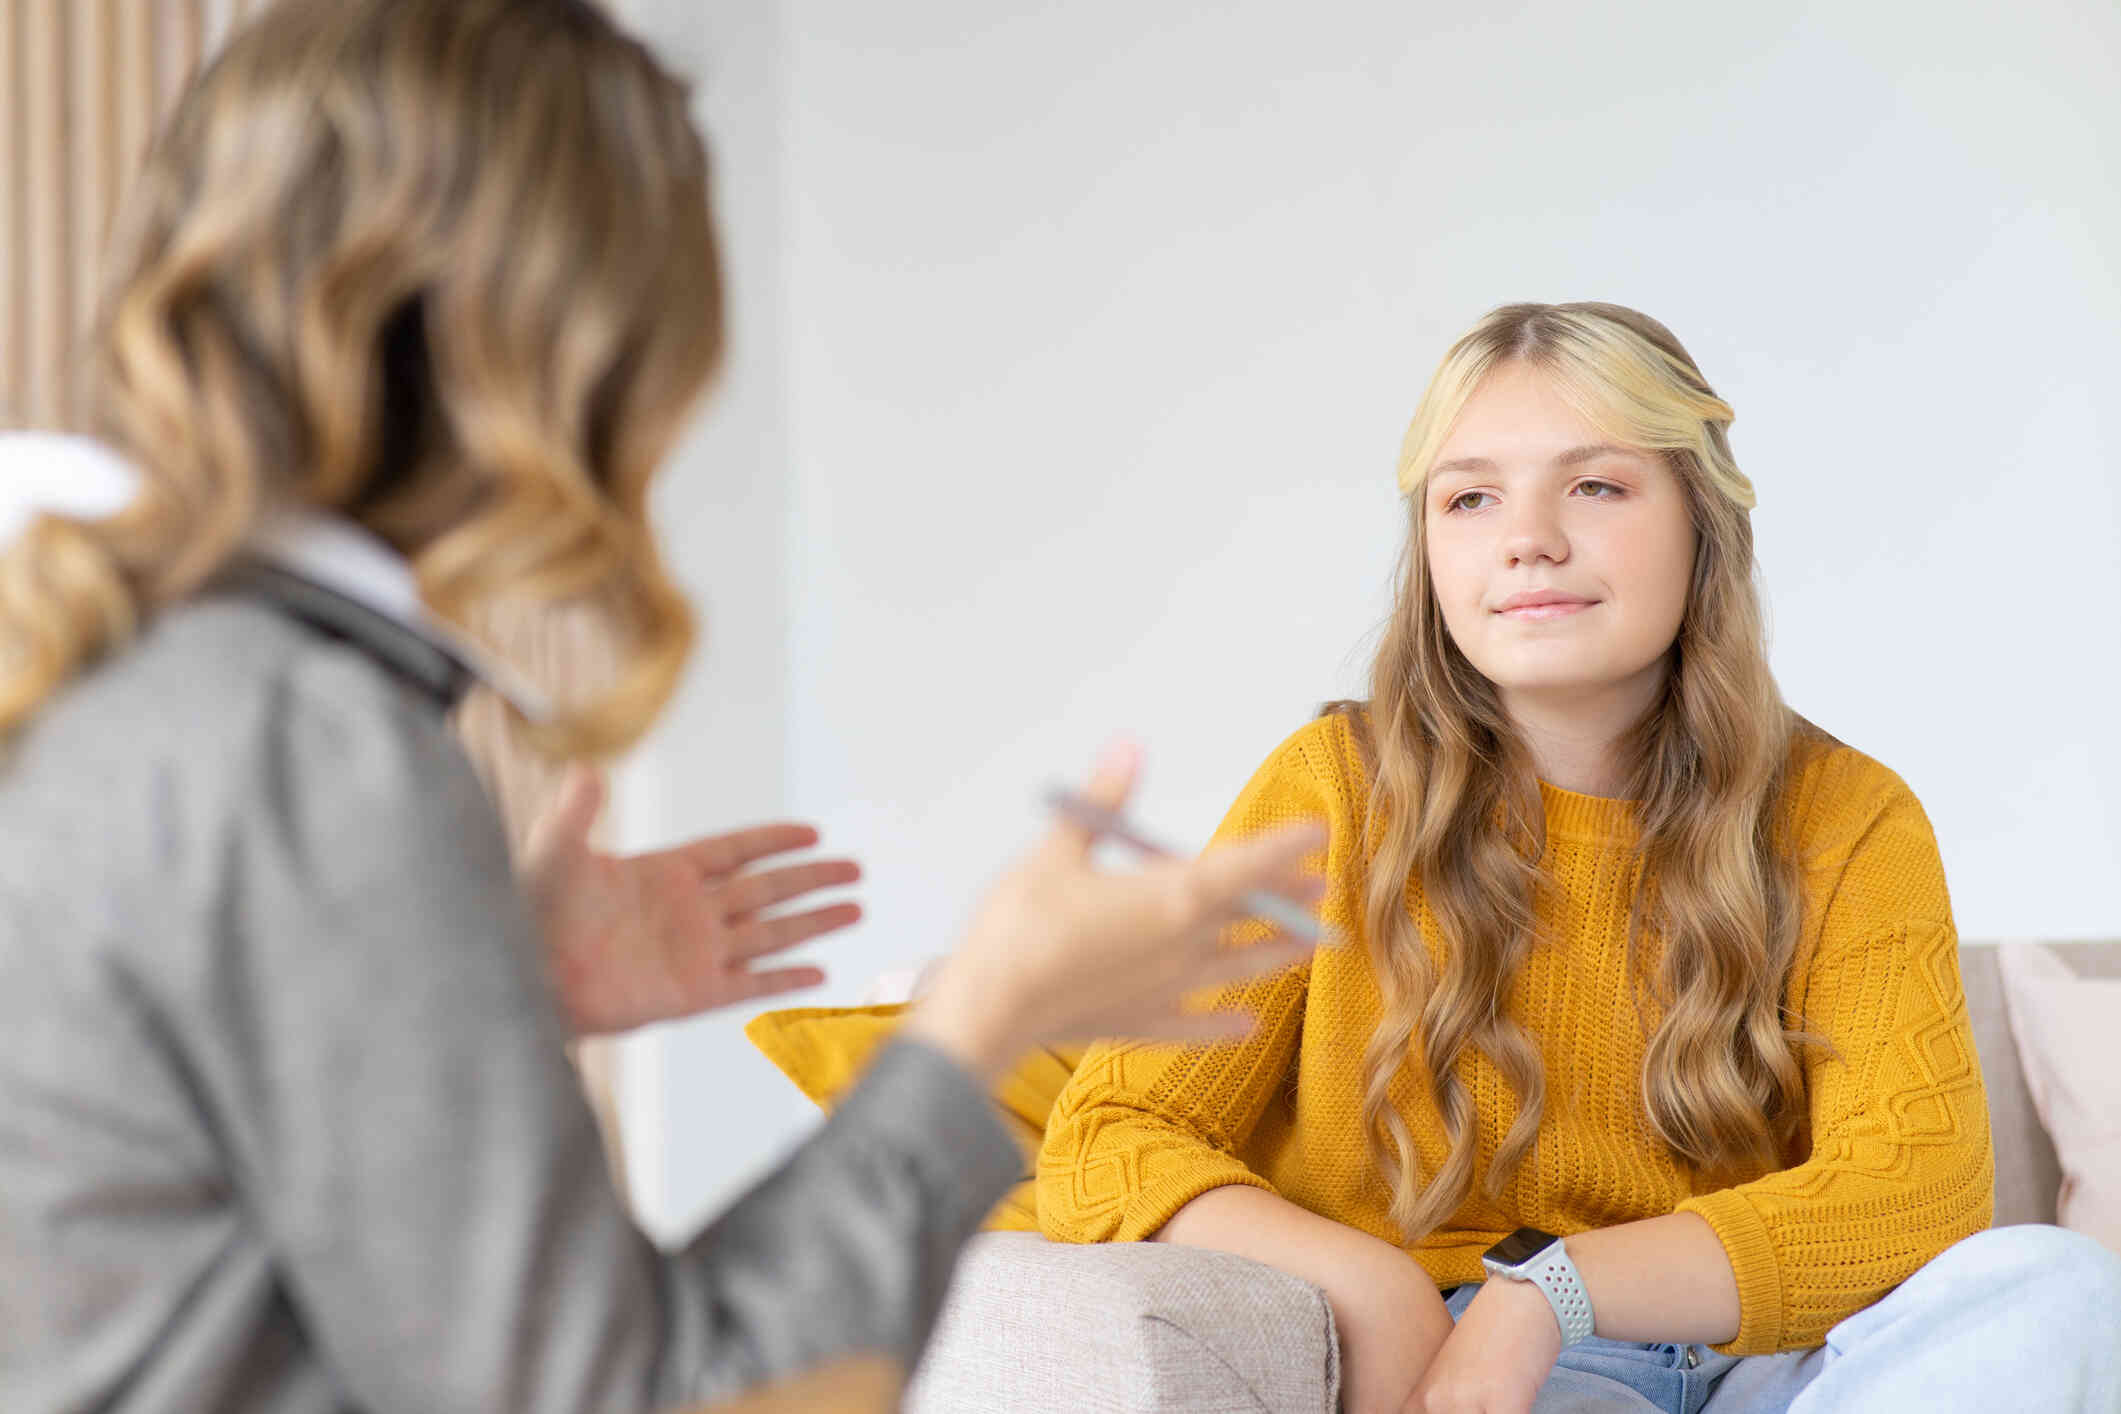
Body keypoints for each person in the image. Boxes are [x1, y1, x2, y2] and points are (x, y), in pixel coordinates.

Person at [0, 3, 1328, 1410]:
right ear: (568, 340)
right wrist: (981, 1021)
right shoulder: (303, 743)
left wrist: (470, 976)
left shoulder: (106, 667)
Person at [1035, 301, 2121, 1414]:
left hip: (1780, 1368)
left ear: (1701, 518)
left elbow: (1915, 1185)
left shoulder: (1850, 817)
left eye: (1596, 486)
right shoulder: (1333, 789)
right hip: (1490, 1379)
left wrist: (1549, 1289)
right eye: (1470, 498)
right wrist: (1367, 1281)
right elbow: (1113, 1133)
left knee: (2067, 1290)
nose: (1529, 538)